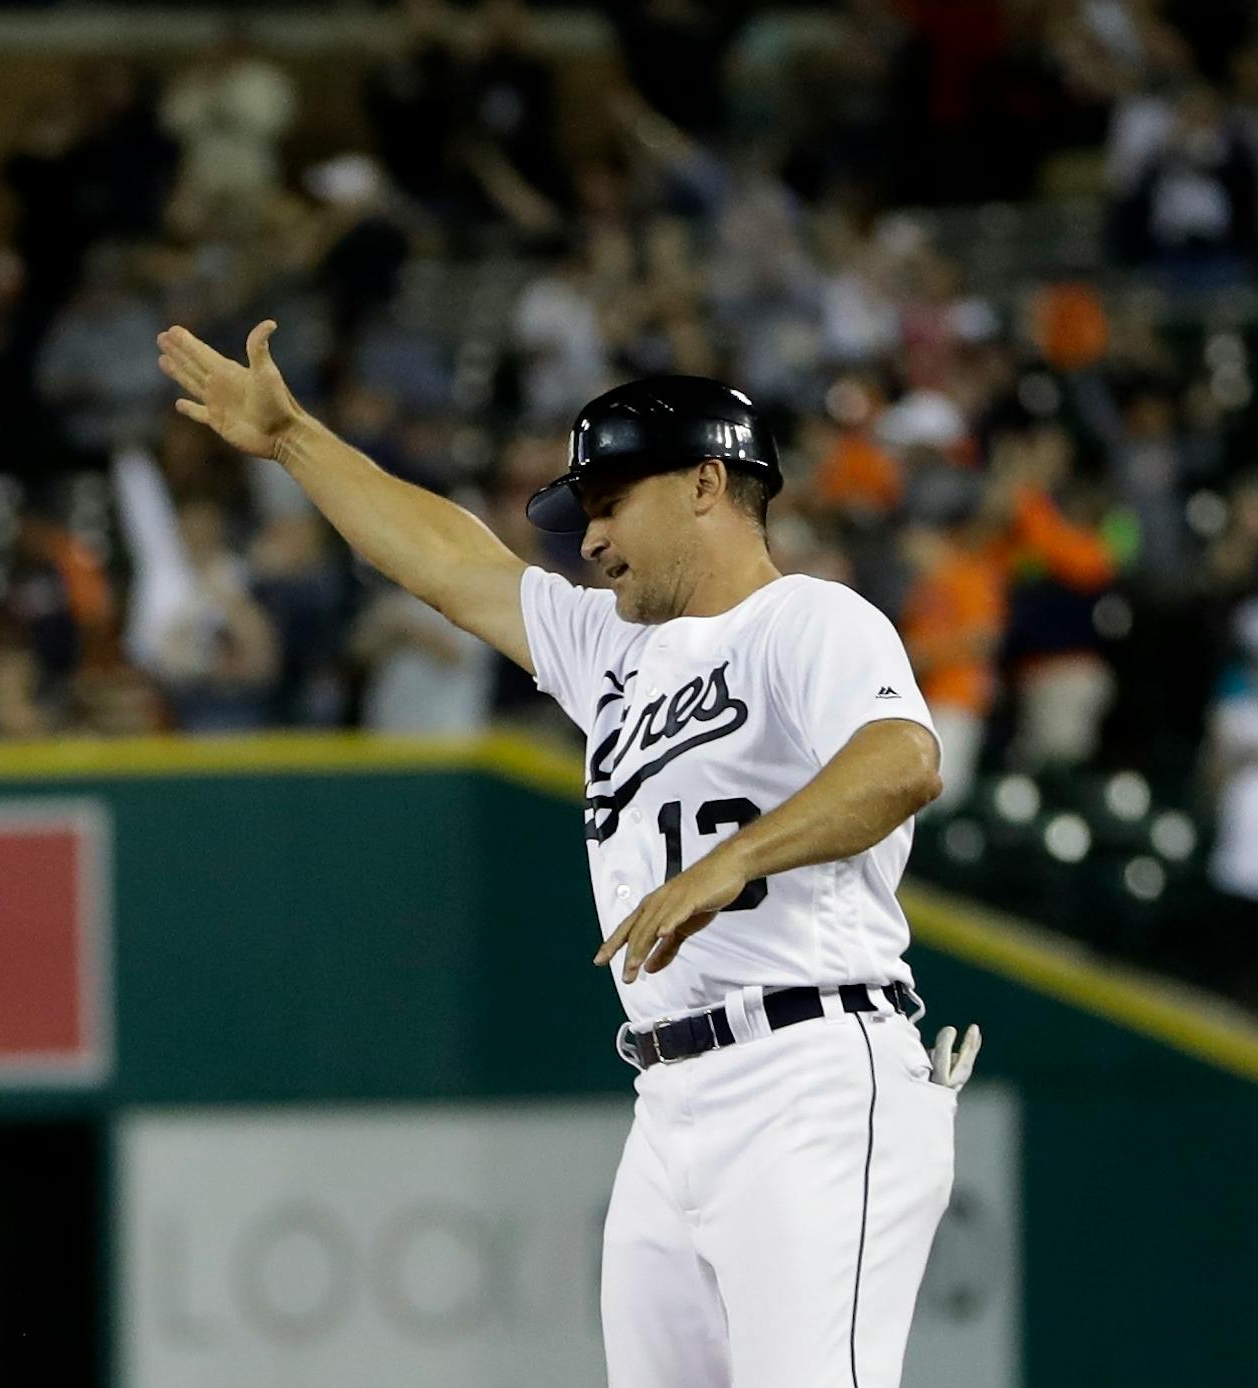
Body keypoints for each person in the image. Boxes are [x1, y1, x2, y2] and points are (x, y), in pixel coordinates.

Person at [157, 321, 982, 1387]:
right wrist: (295, 441)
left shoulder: (810, 619)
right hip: (670, 1095)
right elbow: (454, 564)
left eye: (610, 502)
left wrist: (733, 860)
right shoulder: (617, 654)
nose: (589, 538)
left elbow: (901, 760)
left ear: (705, 482)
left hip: (813, 1068)